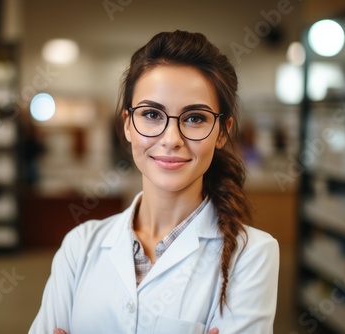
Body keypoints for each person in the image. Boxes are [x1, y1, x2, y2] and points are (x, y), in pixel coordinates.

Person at [29, 30, 279, 334]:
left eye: (195, 118)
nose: (171, 140)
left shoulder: (252, 255)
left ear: (222, 132)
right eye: (151, 114)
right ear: (127, 125)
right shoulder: (80, 245)